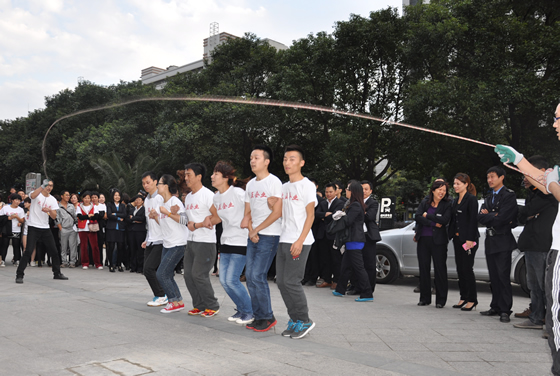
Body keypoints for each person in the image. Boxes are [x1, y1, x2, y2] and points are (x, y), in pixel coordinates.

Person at [276, 145, 318, 339]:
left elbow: (311, 215)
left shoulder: (307, 185)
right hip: (284, 239)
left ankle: (304, 320)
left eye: (292, 159)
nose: (287, 162)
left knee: (292, 282)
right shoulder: (284, 187)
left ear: (301, 163)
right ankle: (294, 319)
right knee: (282, 283)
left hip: (299, 240)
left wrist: (300, 240)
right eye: (285, 159)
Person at [511, 156, 557, 330]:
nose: (525, 177)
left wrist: (529, 213)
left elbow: (528, 211)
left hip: (542, 244)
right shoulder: (534, 193)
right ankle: (537, 317)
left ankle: (549, 321)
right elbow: (524, 215)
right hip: (531, 244)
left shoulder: (549, 194)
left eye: (528, 173)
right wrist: (528, 213)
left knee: (544, 285)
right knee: (534, 285)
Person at [241, 145, 283, 332]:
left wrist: (256, 230)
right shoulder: (250, 184)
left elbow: (277, 213)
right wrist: (251, 230)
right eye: (251, 157)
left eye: (256, 157)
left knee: (257, 275)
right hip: (254, 234)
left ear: (266, 161)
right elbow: (247, 212)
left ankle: (267, 317)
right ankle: (259, 316)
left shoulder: (274, 182)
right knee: (250, 276)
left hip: (269, 234)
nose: (252, 160)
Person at [207, 161, 253, 324]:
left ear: (226, 177)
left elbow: (252, 211)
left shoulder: (239, 193)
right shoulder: (217, 197)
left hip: (241, 241)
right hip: (226, 241)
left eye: (216, 174)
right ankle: (241, 309)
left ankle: (249, 311)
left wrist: (251, 228)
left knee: (232, 280)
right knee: (224, 280)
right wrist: (208, 220)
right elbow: (219, 217)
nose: (212, 177)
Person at [477, 166, 518, 323]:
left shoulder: (509, 196)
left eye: (492, 177)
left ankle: (505, 309)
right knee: (493, 276)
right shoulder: (488, 197)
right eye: (488, 177)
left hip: (503, 241)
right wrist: (495, 215)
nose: (490, 180)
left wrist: (492, 215)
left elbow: (504, 218)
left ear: (502, 177)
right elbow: (480, 217)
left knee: (503, 276)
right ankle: (495, 305)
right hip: (491, 240)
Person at [181, 163, 220, 318]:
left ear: (199, 176)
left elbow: (217, 217)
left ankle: (212, 305)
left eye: (189, 174)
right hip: (191, 241)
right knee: (188, 275)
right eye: (185, 175)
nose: (186, 178)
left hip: (205, 241)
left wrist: (197, 225)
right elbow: (187, 220)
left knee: (199, 274)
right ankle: (199, 305)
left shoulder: (208, 195)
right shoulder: (189, 197)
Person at [15, 179, 68, 283]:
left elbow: (54, 216)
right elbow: (32, 196)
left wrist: (49, 210)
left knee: (54, 251)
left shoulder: (52, 199)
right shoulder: (36, 194)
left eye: (51, 186)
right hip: (33, 226)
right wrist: (42, 187)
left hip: (45, 228)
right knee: (28, 251)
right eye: (47, 185)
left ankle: (57, 273)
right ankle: (19, 274)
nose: (49, 187)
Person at [333, 180, 373, 303]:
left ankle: (367, 293)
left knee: (358, 267)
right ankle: (340, 289)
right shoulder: (353, 204)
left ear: (353, 191)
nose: (346, 191)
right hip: (352, 239)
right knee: (346, 265)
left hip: (355, 239)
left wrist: (340, 216)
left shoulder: (355, 205)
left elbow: (348, 221)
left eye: (348, 189)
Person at [414, 180, 452, 308]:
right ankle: (424, 298)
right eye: (439, 189)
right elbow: (418, 216)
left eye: (444, 190)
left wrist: (428, 216)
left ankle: (441, 300)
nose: (442, 192)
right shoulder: (425, 202)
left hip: (439, 241)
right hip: (423, 239)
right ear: (433, 190)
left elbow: (444, 220)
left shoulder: (447, 204)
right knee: (424, 269)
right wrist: (433, 222)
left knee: (440, 269)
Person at [154, 174, 188, 313]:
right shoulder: (162, 203)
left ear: (166, 186)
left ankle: (173, 301)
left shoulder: (175, 201)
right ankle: (178, 301)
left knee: (161, 274)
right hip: (167, 244)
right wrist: (156, 216)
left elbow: (184, 220)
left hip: (178, 243)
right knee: (167, 274)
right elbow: (164, 225)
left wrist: (168, 212)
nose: (157, 186)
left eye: (159, 183)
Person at [448, 173, 479, 311]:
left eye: (458, 184)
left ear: (466, 184)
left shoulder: (471, 199)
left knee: (467, 268)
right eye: (454, 184)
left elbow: (473, 220)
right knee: (460, 269)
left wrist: (470, 239)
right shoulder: (455, 200)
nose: (455, 186)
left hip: (468, 240)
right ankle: (463, 296)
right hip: (457, 238)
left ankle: (472, 299)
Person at [141, 171, 168, 307]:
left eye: (148, 182)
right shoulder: (147, 200)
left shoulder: (162, 198)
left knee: (149, 269)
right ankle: (161, 295)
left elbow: (167, 222)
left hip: (161, 240)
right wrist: (147, 239)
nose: (146, 185)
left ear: (155, 182)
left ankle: (162, 295)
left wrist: (156, 216)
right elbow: (149, 223)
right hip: (152, 239)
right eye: (144, 183)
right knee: (148, 270)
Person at [314, 183, 345, 289]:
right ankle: (327, 279)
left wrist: (325, 216)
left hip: (334, 235)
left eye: (330, 192)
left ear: (336, 191)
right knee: (324, 258)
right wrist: (325, 215)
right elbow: (316, 214)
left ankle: (337, 280)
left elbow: (336, 216)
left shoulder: (340, 203)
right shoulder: (322, 203)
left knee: (335, 259)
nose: (328, 194)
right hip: (322, 235)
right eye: (326, 192)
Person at [361, 180, 381, 293]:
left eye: (366, 189)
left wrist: (360, 213)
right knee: (358, 263)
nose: (363, 191)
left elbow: (370, 217)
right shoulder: (354, 201)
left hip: (369, 236)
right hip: (357, 235)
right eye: (361, 189)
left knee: (369, 263)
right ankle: (358, 286)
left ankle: (369, 288)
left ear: (371, 191)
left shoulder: (373, 202)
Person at [75, 191, 103, 270]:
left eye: (88, 198)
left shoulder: (94, 206)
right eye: (85, 198)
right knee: (83, 246)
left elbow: (96, 216)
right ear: (82, 199)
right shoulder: (79, 206)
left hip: (92, 228)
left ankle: (97, 263)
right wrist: (89, 216)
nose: (87, 200)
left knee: (95, 246)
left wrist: (87, 217)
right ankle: (85, 263)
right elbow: (80, 217)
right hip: (82, 228)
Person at [0, 193, 25, 266]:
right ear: (12, 200)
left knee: (16, 245)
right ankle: (3, 260)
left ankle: (16, 259)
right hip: (6, 229)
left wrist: (17, 217)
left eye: (19, 200)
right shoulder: (5, 208)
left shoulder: (20, 210)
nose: (17, 202)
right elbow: (1, 218)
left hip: (16, 229)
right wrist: (8, 218)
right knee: (5, 245)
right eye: (16, 200)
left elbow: (22, 220)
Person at [106, 189, 127, 272]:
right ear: (112, 196)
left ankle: (119, 264)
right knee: (111, 247)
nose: (117, 197)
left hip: (120, 228)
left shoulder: (122, 206)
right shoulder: (109, 204)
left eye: (118, 195)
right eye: (115, 195)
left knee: (120, 247)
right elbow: (109, 215)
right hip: (111, 228)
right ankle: (111, 264)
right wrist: (118, 217)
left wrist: (115, 214)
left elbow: (124, 215)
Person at [57, 190, 78, 268]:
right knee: (63, 246)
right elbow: (57, 218)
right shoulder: (58, 207)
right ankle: (64, 261)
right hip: (63, 228)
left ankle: (72, 261)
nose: (68, 197)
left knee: (73, 246)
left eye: (69, 195)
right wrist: (61, 228)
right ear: (62, 196)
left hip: (72, 228)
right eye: (66, 195)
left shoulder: (71, 206)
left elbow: (75, 217)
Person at [126, 194, 146, 273]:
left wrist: (133, 218)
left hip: (140, 231)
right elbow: (127, 218)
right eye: (136, 200)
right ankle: (133, 266)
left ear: (142, 201)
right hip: (131, 231)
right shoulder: (132, 209)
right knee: (132, 249)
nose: (137, 201)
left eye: (139, 200)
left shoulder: (144, 209)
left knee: (140, 249)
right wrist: (134, 220)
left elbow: (142, 219)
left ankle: (140, 267)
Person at [92, 192, 107, 267]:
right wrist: (99, 215)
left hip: (100, 227)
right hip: (91, 227)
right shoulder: (91, 206)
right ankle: (92, 261)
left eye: (95, 197)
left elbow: (104, 216)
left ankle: (100, 261)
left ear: (98, 198)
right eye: (93, 197)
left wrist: (96, 216)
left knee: (100, 244)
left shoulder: (102, 206)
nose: (94, 199)